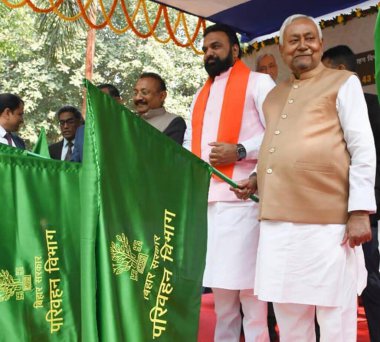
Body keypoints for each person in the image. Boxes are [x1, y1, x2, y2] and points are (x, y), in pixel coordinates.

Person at [232, 14, 376, 341]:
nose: (303, 45)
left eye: (309, 38)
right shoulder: (274, 96)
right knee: (289, 314)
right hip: (277, 224)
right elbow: (275, 143)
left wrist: (359, 211)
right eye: (294, 40)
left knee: (334, 316)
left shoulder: (344, 83)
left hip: (327, 222)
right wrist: (256, 176)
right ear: (283, 49)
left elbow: (363, 149)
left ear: (320, 44)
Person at [183, 23, 275, 341]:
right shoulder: (201, 94)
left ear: (235, 50)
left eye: (217, 47)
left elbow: (279, 133)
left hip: (244, 202)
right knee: (222, 303)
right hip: (209, 207)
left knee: (252, 301)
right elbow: (190, 142)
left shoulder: (259, 83)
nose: (210, 53)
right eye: (206, 48)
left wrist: (240, 150)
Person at [322, 44, 380, 342]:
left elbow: (366, 156)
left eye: (325, 71)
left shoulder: (367, 105)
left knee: (365, 280)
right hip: (338, 209)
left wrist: (362, 208)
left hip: (361, 210)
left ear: (341, 72)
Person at [71, 84, 122, 162]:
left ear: (117, 101)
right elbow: (75, 165)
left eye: (101, 99)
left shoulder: (131, 129)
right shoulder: (82, 132)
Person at [133, 72, 186, 144]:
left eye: (144, 92)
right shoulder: (131, 121)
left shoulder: (174, 122)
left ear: (162, 96)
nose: (137, 98)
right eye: (135, 93)